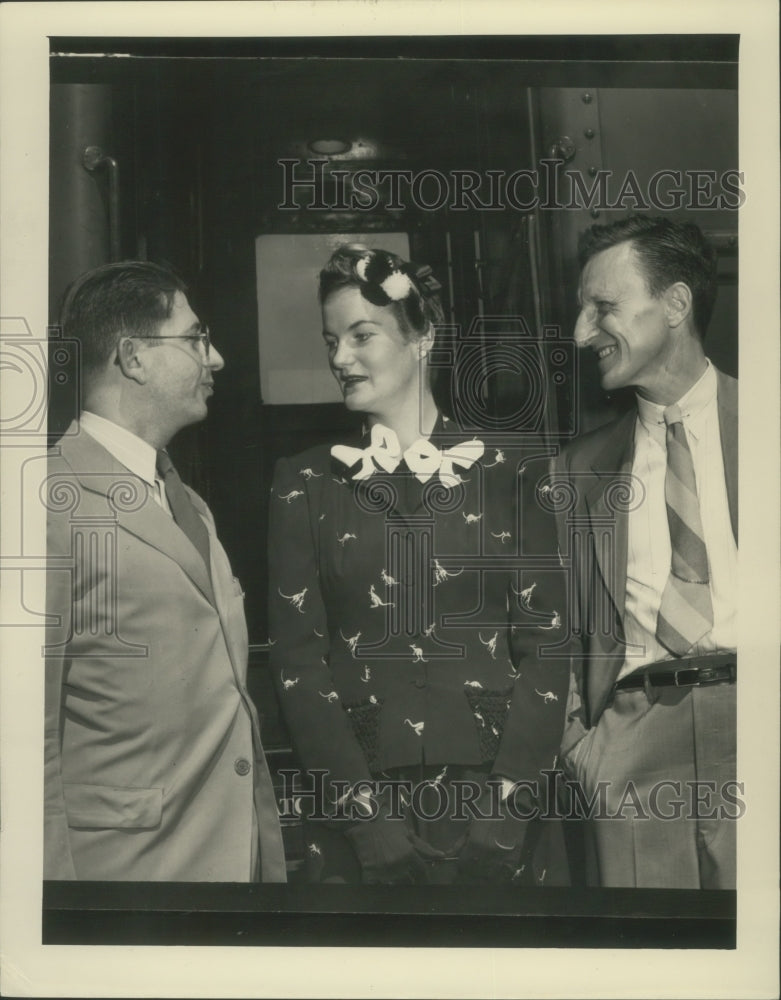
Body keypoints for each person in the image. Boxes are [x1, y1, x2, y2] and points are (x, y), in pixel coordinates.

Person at [268, 245, 569, 884]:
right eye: (331, 340)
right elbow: (296, 662)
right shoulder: (303, 482)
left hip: (496, 805)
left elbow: (548, 649)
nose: (340, 358)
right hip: (359, 814)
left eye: (361, 336)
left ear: (423, 338)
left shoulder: (514, 475)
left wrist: (507, 811)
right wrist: (362, 818)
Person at [44, 261, 286, 882]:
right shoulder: (43, 502)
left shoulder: (189, 503)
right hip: (124, 890)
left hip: (234, 875)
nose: (218, 358)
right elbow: (20, 738)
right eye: (196, 337)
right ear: (133, 357)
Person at [553, 215, 737, 888]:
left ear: (676, 305)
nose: (580, 333)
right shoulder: (575, 471)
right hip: (631, 748)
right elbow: (560, 631)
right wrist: (586, 751)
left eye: (602, 307)